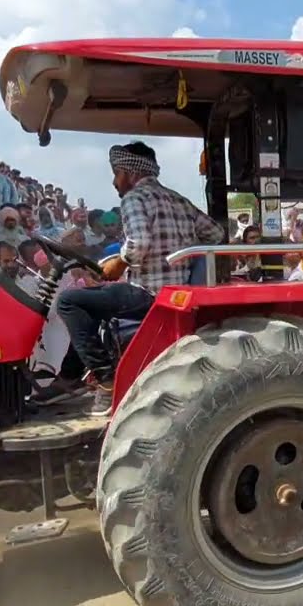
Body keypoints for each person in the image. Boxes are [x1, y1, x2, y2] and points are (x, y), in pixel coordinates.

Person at [54, 142, 225, 415]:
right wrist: (182, 252)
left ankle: (106, 378)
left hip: (148, 292)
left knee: (68, 302)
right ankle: (69, 377)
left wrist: (119, 262)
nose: (114, 181)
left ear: (129, 173)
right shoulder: (178, 200)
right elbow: (216, 234)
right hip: (174, 291)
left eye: (116, 173)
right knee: (90, 305)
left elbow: (138, 244)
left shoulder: (134, 199)